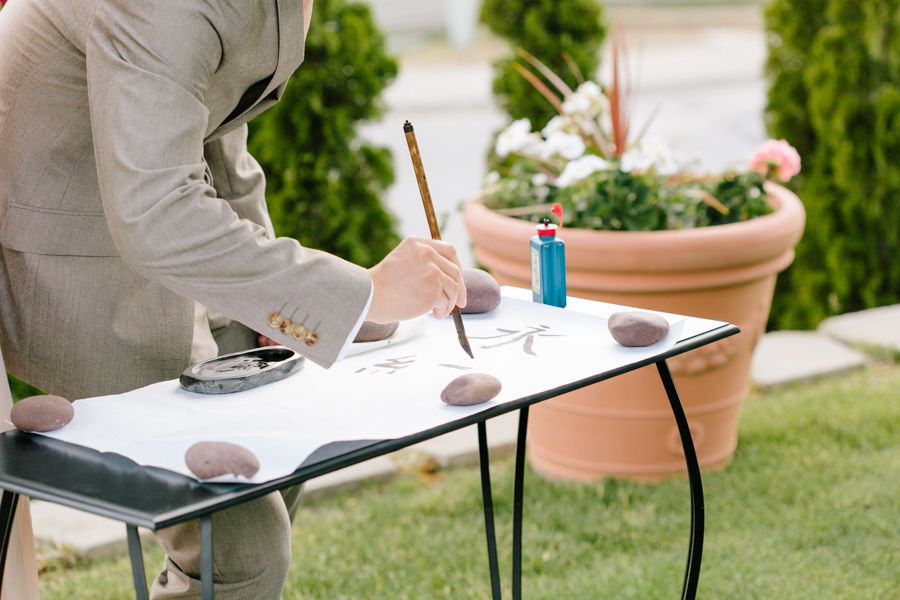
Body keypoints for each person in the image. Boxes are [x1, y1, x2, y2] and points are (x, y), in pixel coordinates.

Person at [0, 0, 467, 597]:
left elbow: (217, 132)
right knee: (245, 549)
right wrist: (367, 293)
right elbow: (157, 218)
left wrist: (279, 307)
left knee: (283, 440)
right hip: (67, 252)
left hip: (150, 219)